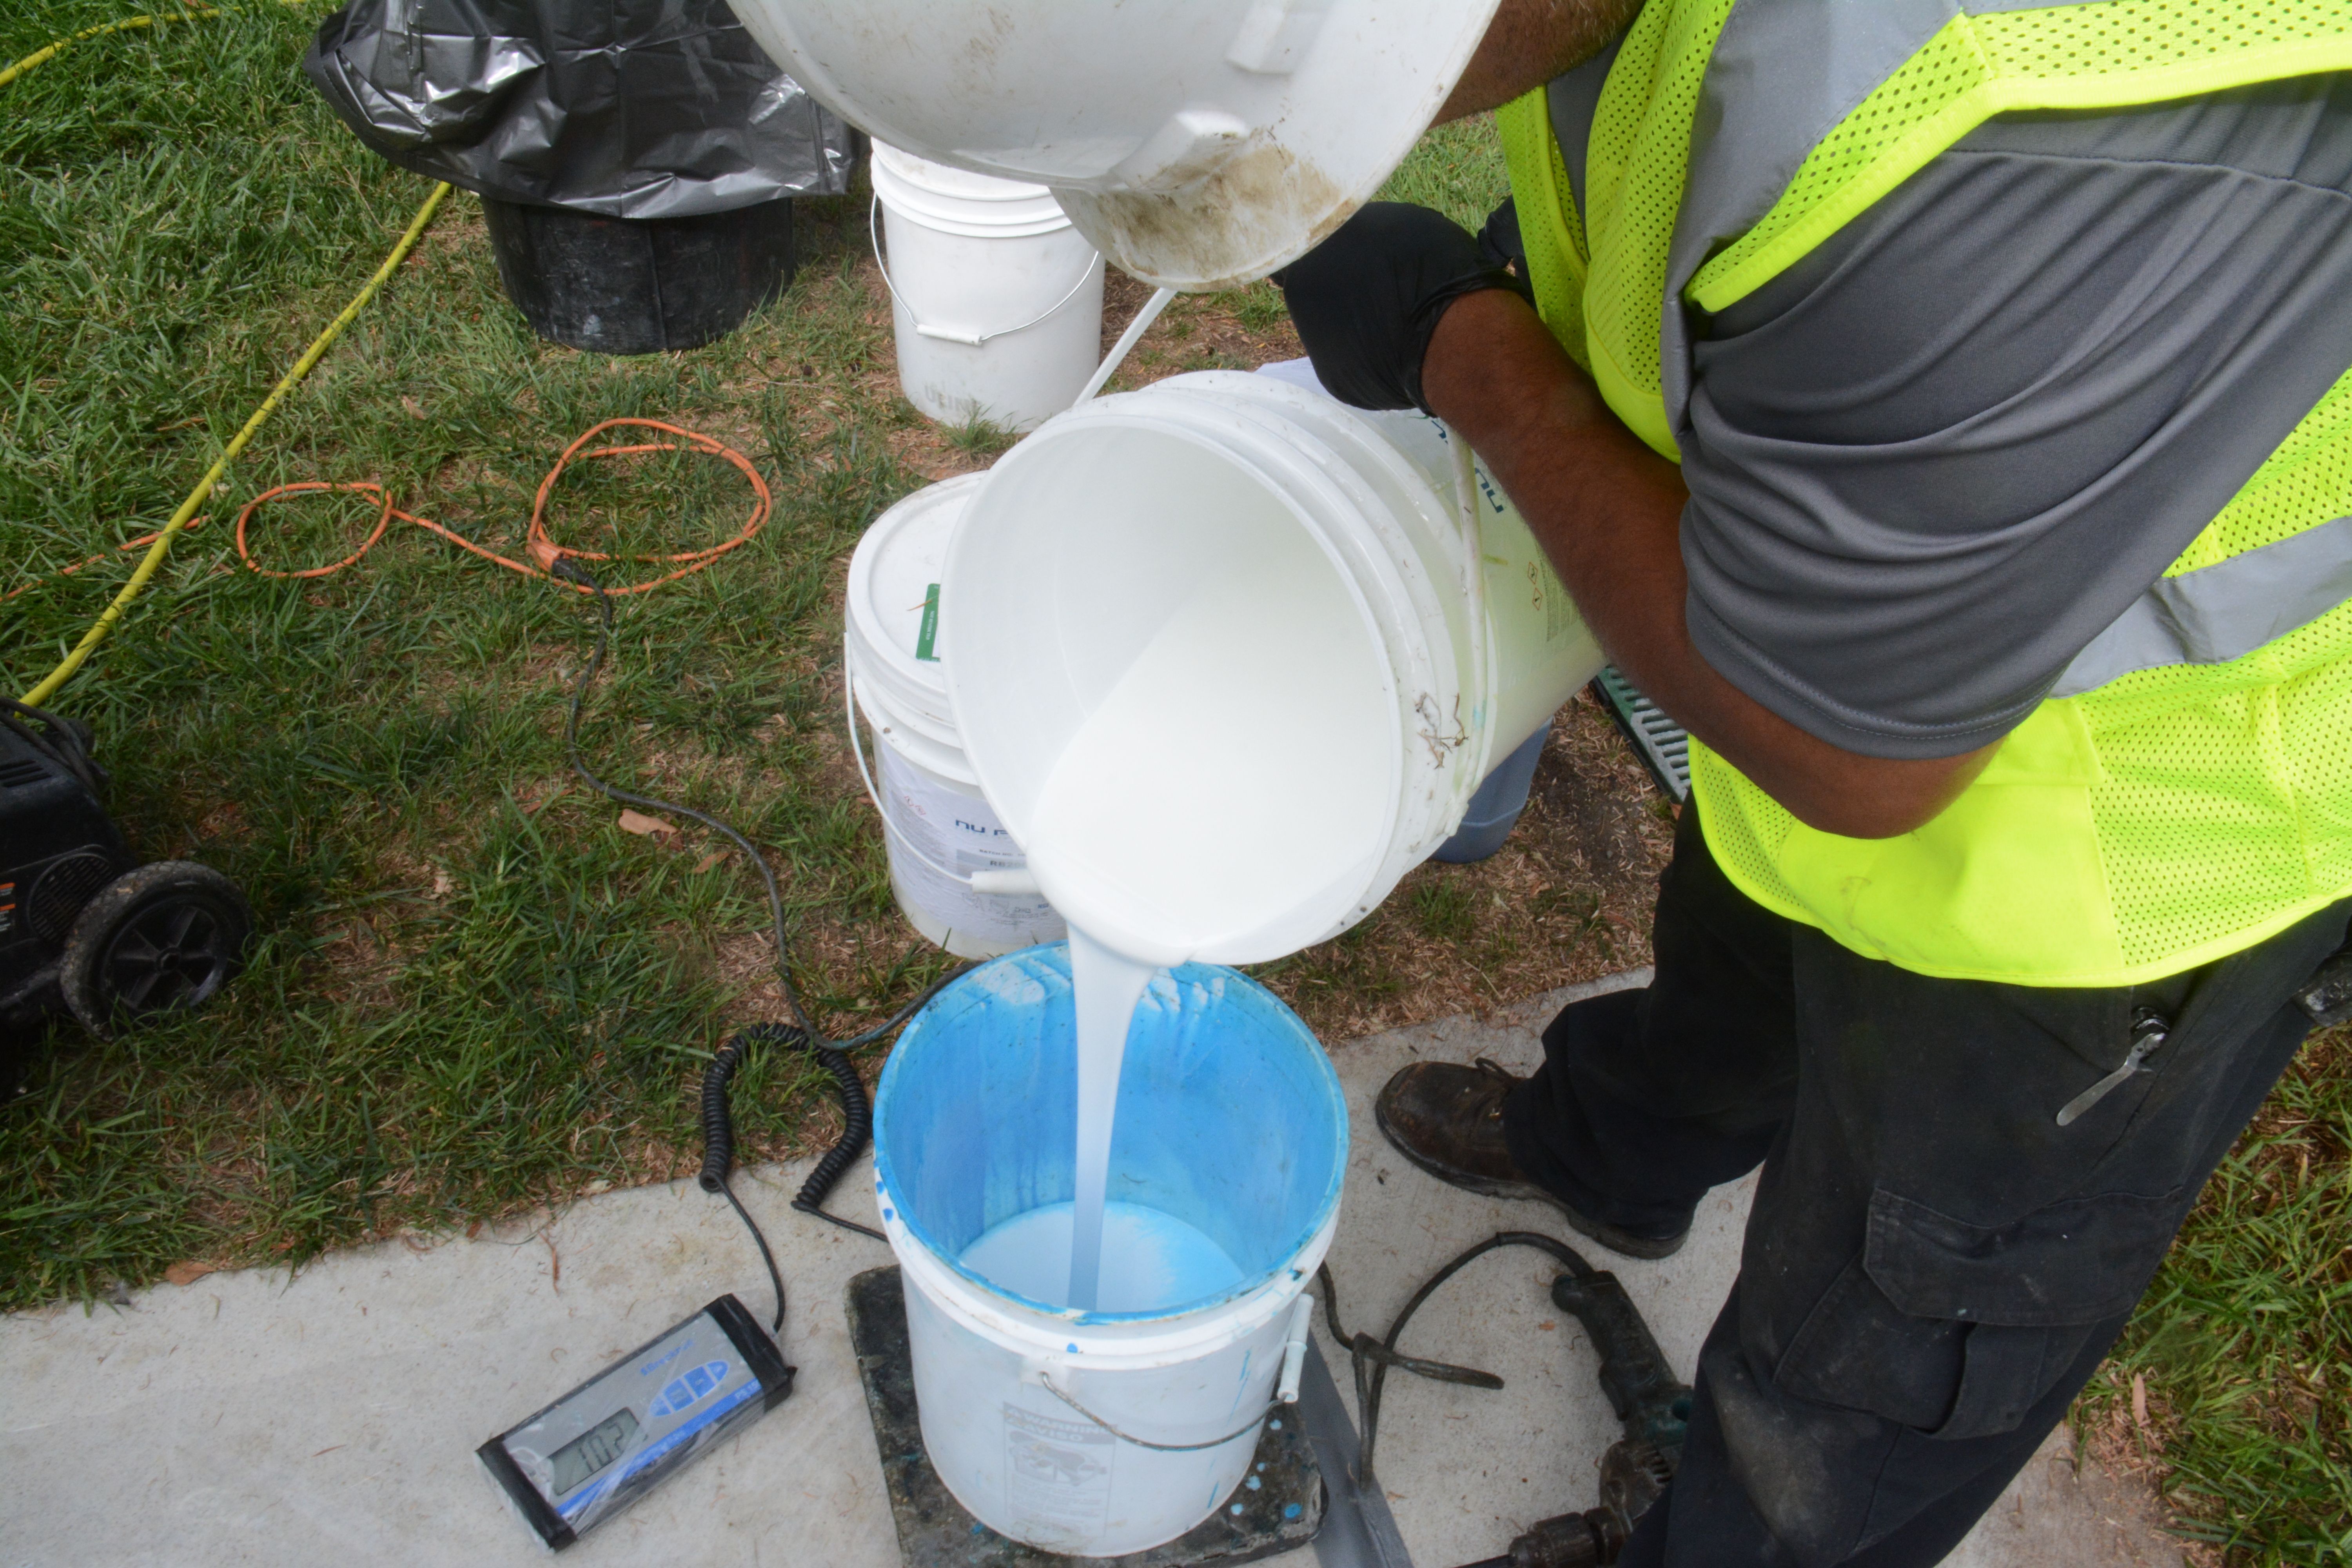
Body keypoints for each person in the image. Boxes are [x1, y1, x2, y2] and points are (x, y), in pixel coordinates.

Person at [1274, 2, 2352, 1563]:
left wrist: (1478, 357)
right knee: (1735, 955)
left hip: (2112, 859)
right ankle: (1616, 1158)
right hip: (1858, 671)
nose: (1292, 116)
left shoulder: (2006, 108)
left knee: (1866, 1370)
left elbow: (1844, 747)